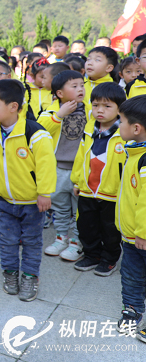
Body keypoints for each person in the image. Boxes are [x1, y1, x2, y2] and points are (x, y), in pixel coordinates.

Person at [0, 79, 56, 301]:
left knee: (32, 241)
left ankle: (30, 276)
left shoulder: (35, 133)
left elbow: (45, 166)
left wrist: (44, 193)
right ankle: (10, 274)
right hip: (4, 200)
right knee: (7, 239)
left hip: (32, 202)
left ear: (13, 106)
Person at [70, 83, 126, 276]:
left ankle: (109, 259)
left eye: (107, 106)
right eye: (95, 105)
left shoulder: (124, 133)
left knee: (110, 229)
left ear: (120, 108)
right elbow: (80, 156)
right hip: (87, 188)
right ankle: (91, 255)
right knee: (86, 225)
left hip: (112, 192)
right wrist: (77, 180)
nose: (99, 110)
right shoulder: (89, 127)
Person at [39, 70, 87, 262]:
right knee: (59, 206)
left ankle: (76, 242)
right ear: (60, 93)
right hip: (57, 168)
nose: (80, 89)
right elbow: (40, 129)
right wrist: (59, 115)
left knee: (78, 208)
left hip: (79, 168)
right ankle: (61, 237)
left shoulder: (90, 110)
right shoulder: (51, 112)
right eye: (74, 86)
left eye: (82, 85)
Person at [114, 95, 146, 340]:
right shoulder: (134, 152)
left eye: (121, 121)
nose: (118, 126)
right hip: (131, 235)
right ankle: (132, 310)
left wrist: (143, 233)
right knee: (131, 275)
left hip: (142, 236)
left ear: (136, 128)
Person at [84, 46, 118, 113]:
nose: (90, 63)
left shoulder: (114, 89)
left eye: (97, 60)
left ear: (109, 68)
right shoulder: (80, 85)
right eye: (88, 59)